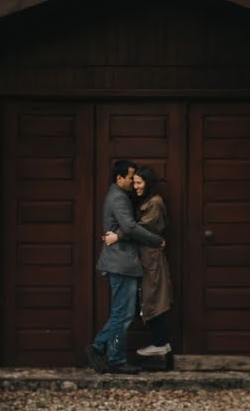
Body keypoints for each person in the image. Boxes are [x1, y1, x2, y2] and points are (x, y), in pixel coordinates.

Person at [84, 160, 165, 374]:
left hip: (122, 263)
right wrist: (156, 240)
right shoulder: (118, 198)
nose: (133, 181)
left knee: (123, 312)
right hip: (121, 263)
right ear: (119, 179)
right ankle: (105, 352)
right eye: (130, 177)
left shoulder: (120, 196)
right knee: (123, 313)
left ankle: (108, 354)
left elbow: (125, 227)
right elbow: (129, 226)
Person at [103, 166, 173, 358]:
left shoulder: (155, 203)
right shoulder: (144, 201)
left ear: (148, 183)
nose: (135, 186)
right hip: (143, 258)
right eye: (134, 182)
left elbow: (138, 228)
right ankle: (160, 342)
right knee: (146, 300)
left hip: (152, 259)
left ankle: (160, 343)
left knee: (154, 299)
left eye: (139, 182)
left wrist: (118, 236)